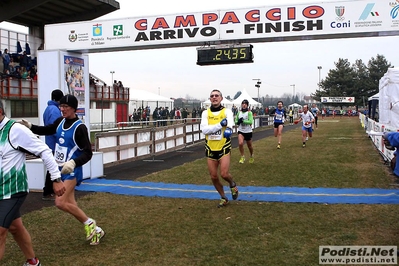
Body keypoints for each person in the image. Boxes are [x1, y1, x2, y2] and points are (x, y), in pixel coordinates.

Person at [20, 95, 105, 246]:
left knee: (59, 202)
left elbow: (88, 152)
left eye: (66, 107)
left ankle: (90, 223)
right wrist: (31, 127)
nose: (63, 109)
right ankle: (96, 230)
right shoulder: (60, 121)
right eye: (61, 106)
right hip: (59, 169)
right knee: (71, 204)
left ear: (74, 108)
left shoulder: (80, 128)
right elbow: (47, 129)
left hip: (72, 170)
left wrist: (73, 162)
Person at [0, 100, 66, 266]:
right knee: (15, 227)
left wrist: (56, 179)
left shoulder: (15, 130)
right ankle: (33, 262)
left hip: (13, 190)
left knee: (0, 232)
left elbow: (44, 150)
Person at [201, 89, 239, 208]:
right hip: (210, 148)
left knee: (224, 174)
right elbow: (204, 130)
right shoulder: (205, 113)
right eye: (212, 96)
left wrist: (229, 128)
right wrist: (220, 125)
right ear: (210, 99)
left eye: (217, 95)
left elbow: (230, 123)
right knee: (213, 176)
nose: (214, 97)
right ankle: (223, 197)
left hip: (223, 147)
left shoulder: (227, 111)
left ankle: (232, 184)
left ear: (221, 98)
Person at [42, 89, 64, 200]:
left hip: (49, 142)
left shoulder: (48, 109)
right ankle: (48, 191)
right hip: (54, 143)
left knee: (52, 167)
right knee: (53, 168)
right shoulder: (54, 110)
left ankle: (49, 190)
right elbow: (55, 128)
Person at [235, 99, 254, 163]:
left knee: (249, 146)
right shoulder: (239, 112)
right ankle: (242, 156)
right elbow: (236, 121)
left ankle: (251, 156)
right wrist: (238, 121)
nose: (244, 105)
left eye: (245, 104)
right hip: (241, 131)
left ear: (247, 105)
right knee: (240, 143)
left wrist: (243, 121)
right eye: (243, 103)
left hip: (248, 131)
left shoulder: (249, 113)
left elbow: (251, 121)